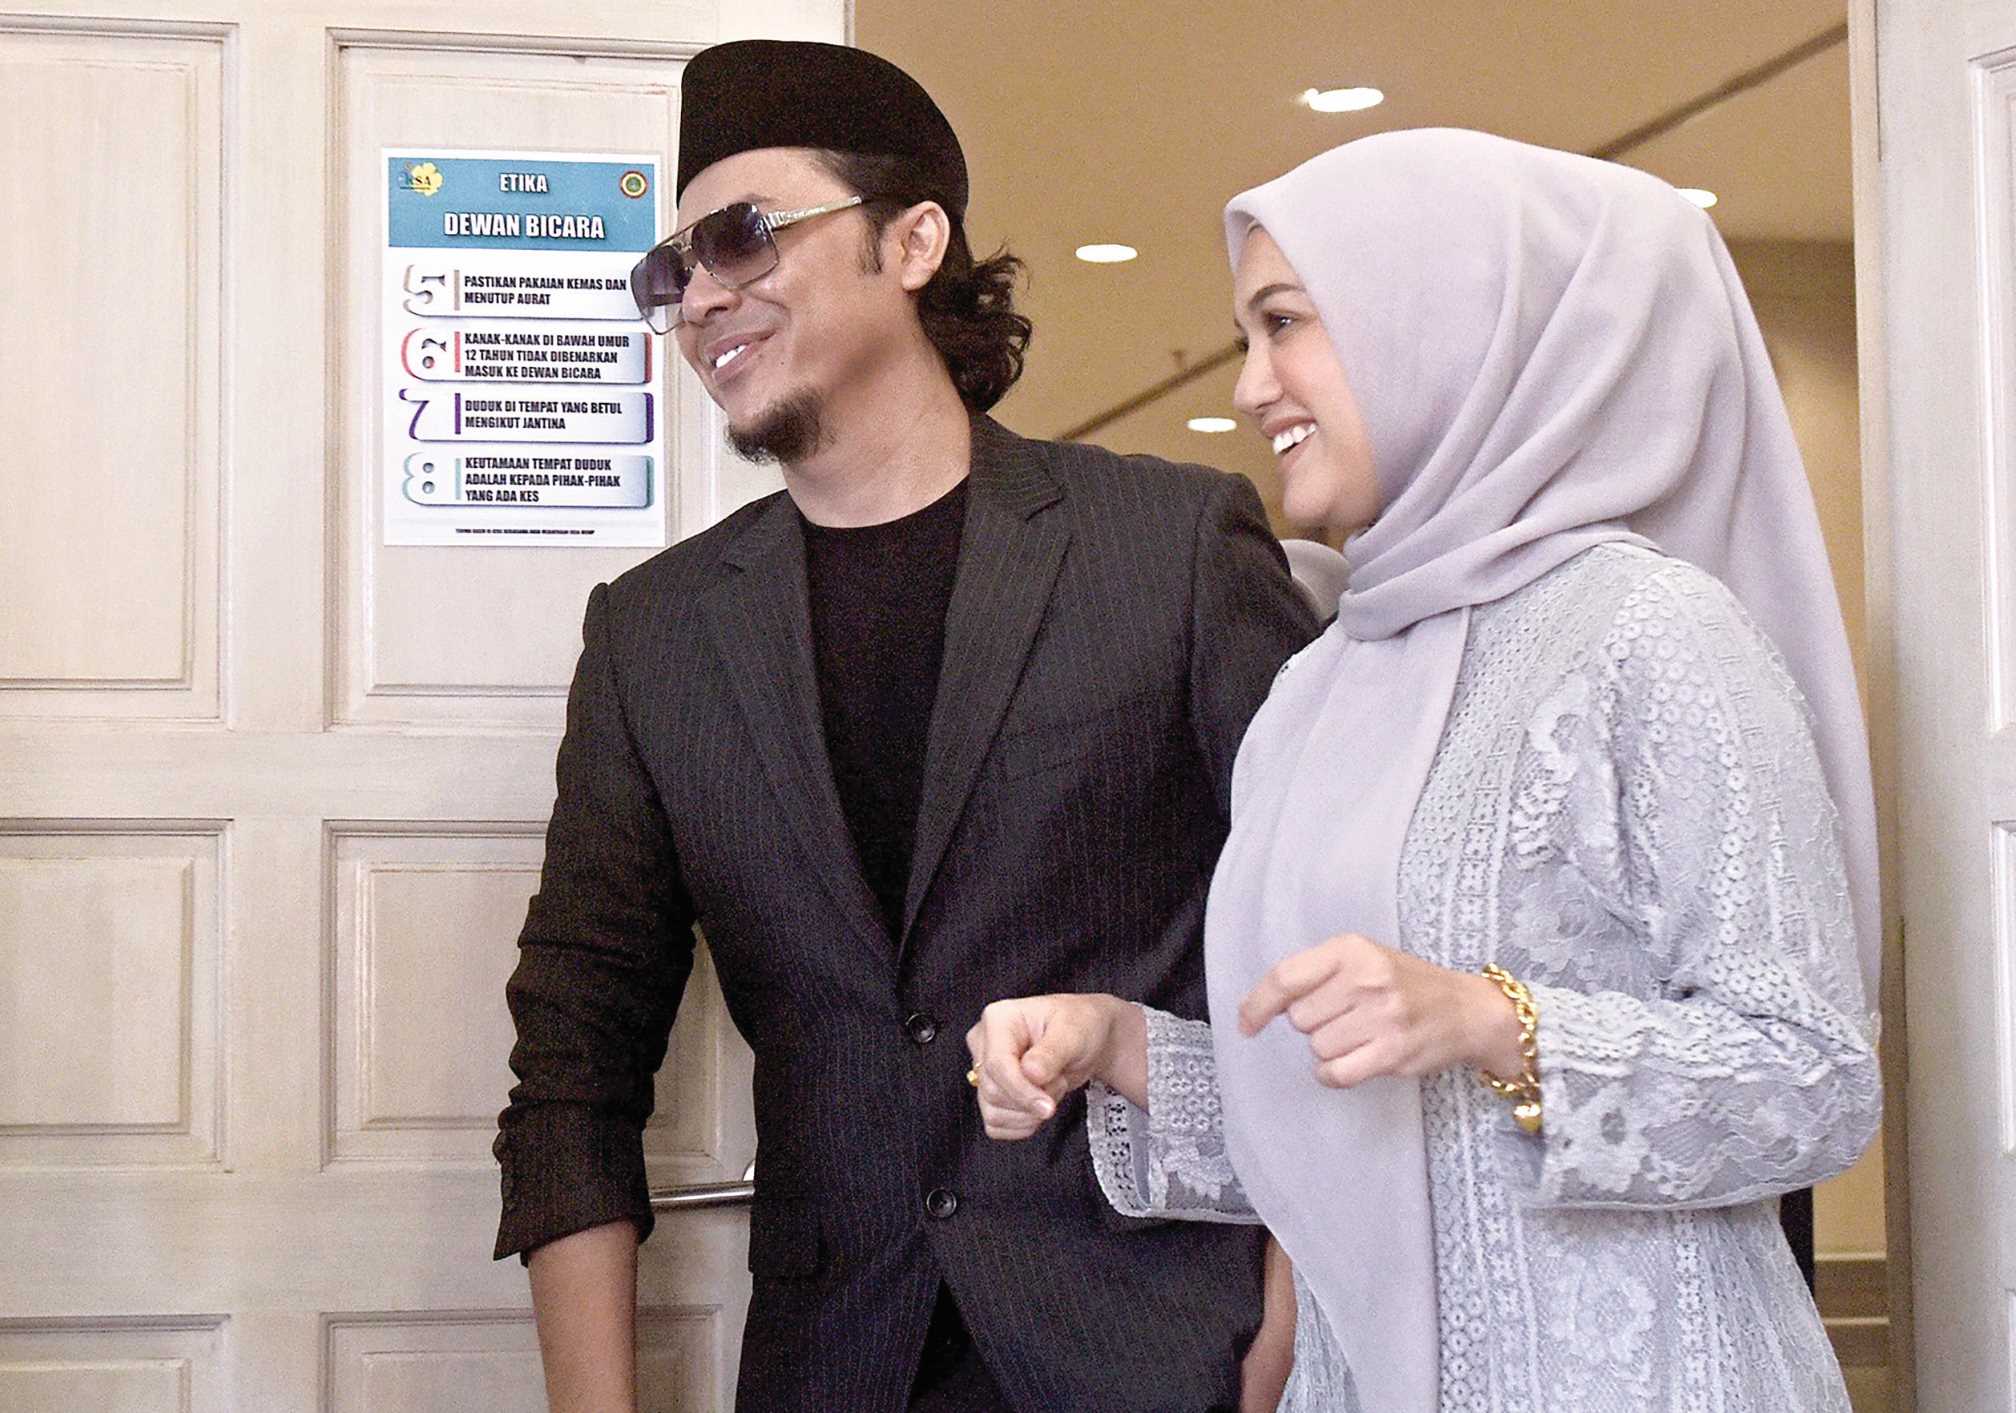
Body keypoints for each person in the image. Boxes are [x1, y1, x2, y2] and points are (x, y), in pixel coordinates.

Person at [966, 128, 1883, 1411]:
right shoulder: (1318, 687)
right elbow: (1345, 1141)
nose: (1254, 386)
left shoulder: (1649, 634)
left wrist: (1493, 1023)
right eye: (1247, 336)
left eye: (1287, 323)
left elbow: (1814, 1082)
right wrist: (1118, 1045)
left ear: (1443, 323)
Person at [491, 38, 1317, 1413]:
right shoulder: (657, 638)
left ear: (915, 241)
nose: (703, 297)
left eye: (744, 237)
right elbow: (573, 1066)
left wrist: (1288, 1326)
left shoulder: (1167, 547)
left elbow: (1325, 934)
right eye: (673, 271)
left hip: (1164, 1351)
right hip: (837, 1365)